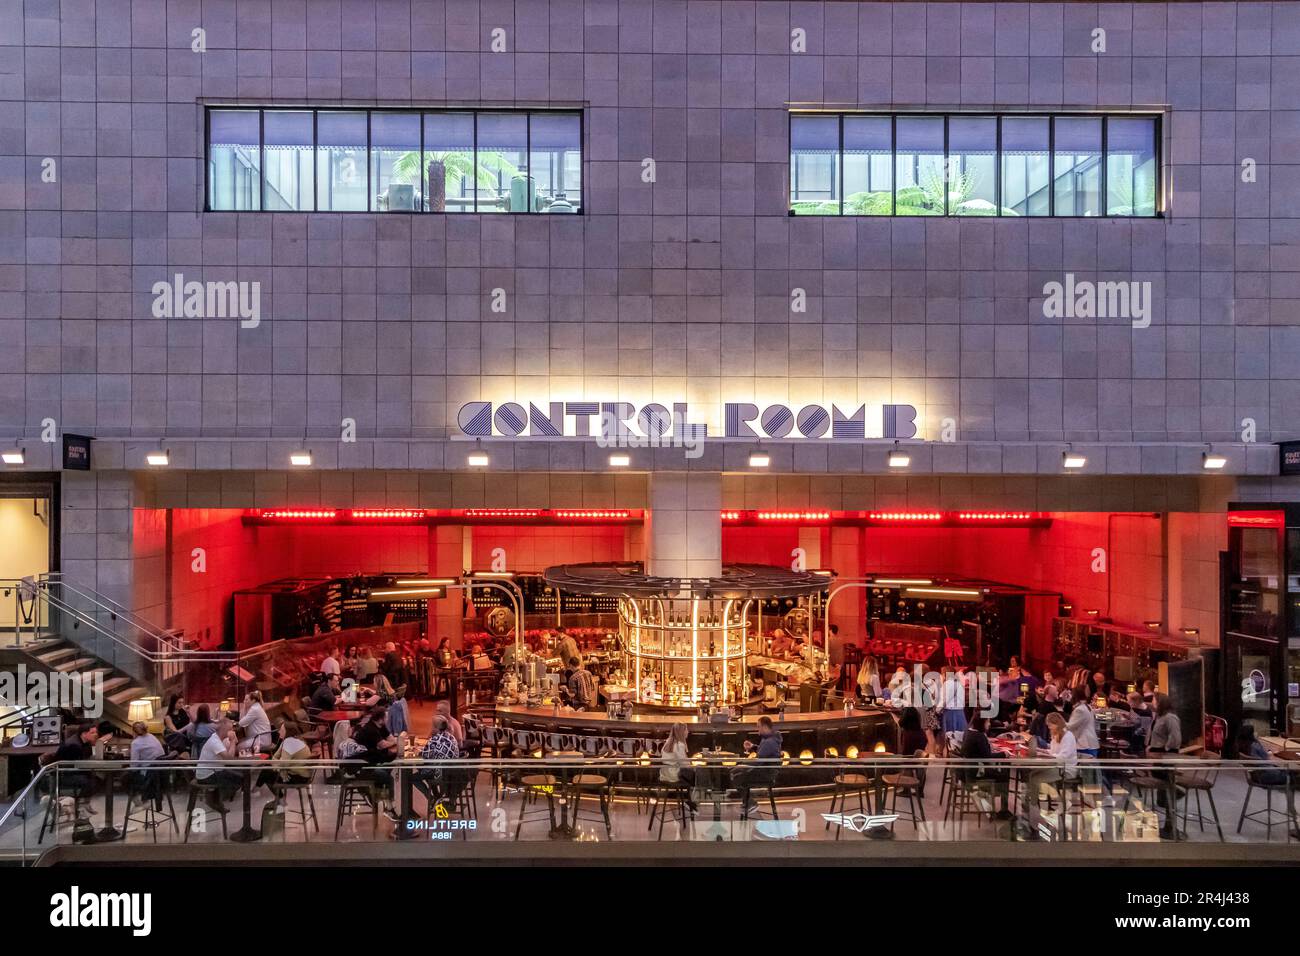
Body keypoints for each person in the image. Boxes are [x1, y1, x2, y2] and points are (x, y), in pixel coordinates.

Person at [1147, 694, 1183, 840]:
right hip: (1157, 757)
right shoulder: (1159, 717)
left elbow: (1175, 739)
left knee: (1167, 787)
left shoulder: (1170, 718)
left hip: (1165, 758)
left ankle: (1170, 825)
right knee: (1163, 789)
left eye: (1154, 700)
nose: (1152, 703)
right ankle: (1173, 796)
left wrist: (1165, 750)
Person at [960, 715, 1010, 817]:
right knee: (1004, 775)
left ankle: (989, 797)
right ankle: (1002, 808)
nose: (989, 724)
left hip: (968, 770)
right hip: (977, 771)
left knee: (998, 772)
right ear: (982, 723)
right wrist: (1003, 754)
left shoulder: (968, 732)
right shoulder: (979, 736)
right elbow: (987, 757)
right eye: (987, 722)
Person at [1025, 712, 1078, 809]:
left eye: (1050, 725)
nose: (1049, 727)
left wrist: (1044, 754)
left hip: (1065, 768)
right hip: (1057, 766)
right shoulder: (1056, 735)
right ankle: (1059, 800)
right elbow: (1054, 752)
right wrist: (1043, 751)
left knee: (1036, 778)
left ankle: (1033, 804)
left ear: (1057, 723)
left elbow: (1063, 757)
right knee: (1032, 774)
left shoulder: (1068, 736)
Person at [732, 716, 781, 814]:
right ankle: (747, 803)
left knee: (736, 776)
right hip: (766, 771)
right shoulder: (769, 739)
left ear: (765, 727)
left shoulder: (769, 742)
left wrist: (742, 765)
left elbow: (758, 761)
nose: (757, 729)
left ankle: (750, 803)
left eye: (758, 726)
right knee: (737, 772)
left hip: (766, 774)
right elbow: (763, 753)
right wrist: (753, 747)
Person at [413, 715, 461, 810]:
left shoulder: (435, 739)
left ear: (435, 727)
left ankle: (431, 798)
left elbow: (424, 755)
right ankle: (437, 796)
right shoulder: (451, 737)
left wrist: (416, 751)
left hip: (440, 773)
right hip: (452, 772)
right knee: (423, 769)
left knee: (413, 777)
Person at [194, 717, 242, 809]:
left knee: (238, 772)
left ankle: (217, 799)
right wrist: (232, 742)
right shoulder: (215, 741)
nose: (232, 731)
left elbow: (229, 756)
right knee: (239, 776)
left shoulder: (219, 739)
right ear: (224, 729)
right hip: (206, 776)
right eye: (230, 729)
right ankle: (217, 799)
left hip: (212, 771)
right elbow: (229, 760)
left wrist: (232, 742)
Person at [658, 723, 697, 811]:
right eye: (686, 730)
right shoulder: (679, 744)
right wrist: (694, 765)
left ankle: (689, 800)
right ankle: (691, 801)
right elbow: (684, 763)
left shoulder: (668, 742)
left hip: (664, 774)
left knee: (691, 775)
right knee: (697, 776)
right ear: (681, 732)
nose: (688, 732)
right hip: (674, 775)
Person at [1066, 692, 1100, 757]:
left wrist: (1059, 723)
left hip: (1084, 745)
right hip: (1090, 743)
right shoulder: (1087, 707)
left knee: (1085, 766)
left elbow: (1071, 726)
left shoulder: (1080, 710)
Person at [940, 667, 968, 734]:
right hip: (960, 713)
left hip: (950, 713)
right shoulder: (959, 684)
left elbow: (944, 699)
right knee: (960, 736)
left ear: (945, 674)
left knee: (950, 736)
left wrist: (937, 710)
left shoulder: (947, 684)